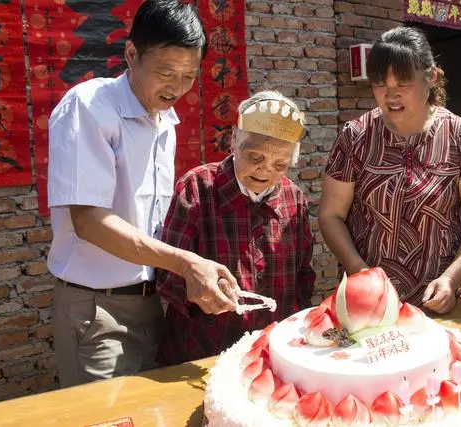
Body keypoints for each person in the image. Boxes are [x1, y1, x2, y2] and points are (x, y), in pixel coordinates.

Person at [47, 0, 238, 387]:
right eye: (166, 72)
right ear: (131, 54)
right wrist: (185, 263)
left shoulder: (163, 121)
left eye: (188, 75)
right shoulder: (90, 107)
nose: (178, 87)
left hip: (151, 302)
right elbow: (89, 221)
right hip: (98, 307)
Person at [319, 27, 461, 315]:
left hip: (439, 302)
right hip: (369, 305)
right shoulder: (356, 137)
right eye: (380, 85)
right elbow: (331, 215)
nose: (391, 95)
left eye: (403, 83)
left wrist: (452, 279)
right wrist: (361, 273)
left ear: (432, 77)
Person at [156, 91, 316, 366]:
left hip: (271, 353)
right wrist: (202, 291)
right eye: (255, 156)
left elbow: (302, 277)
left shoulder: (294, 198)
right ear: (234, 140)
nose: (265, 171)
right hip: (200, 353)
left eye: (280, 164)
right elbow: (166, 275)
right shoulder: (197, 188)